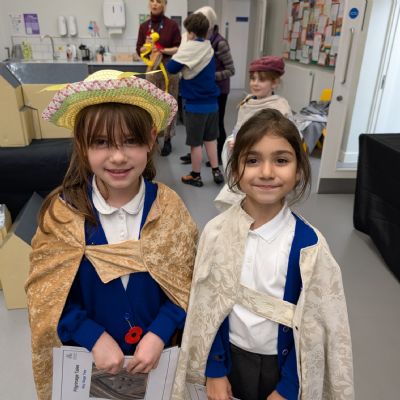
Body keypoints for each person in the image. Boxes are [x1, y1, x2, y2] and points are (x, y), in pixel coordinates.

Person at [25, 70, 198, 400]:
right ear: (82, 145)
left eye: (130, 141)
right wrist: (90, 335)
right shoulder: (63, 214)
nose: (118, 157)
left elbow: (187, 283)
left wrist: (160, 332)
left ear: (150, 139)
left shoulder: (168, 208)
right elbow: (46, 296)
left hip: (157, 363)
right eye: (101, 142)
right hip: (88, 366)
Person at [172, 109, 354, 400]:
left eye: (281, 160)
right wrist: (215, 369)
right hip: (229, 359)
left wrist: (288, 388)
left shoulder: (309, 246)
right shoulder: (217, 232)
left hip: (281, 370)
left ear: (299, 170)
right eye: (252, 160)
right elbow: (207, 305)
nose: (267, 172)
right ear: (235, 169)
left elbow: (314, 329)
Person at [215, 55, 293, 211]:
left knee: (263, 193)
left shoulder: (280, 106)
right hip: (245, 156)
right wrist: (235, 140)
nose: (255, 83)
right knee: (243, 191)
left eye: (261, 80)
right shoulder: (247, 102)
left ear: (274, 83)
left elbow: (285, 139)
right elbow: (239, 128)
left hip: (266, 160)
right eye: (252, 79)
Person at [167, 12, 224, 187]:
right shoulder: (209, 48)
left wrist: (181, 50)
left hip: (195, 106)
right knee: (211, 140)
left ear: (190, 33)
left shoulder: (189, 49)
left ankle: (196, 175)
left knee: (196, 144)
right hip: (212, 104)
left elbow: (171, 67)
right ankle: (216, 170)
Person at [179, 6, 235, 166]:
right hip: (201, 90)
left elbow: (231, 70)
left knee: (216, 125)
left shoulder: (220, 43)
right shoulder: (199, 41)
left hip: (218, 91)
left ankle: (220, 157)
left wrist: (208, 76)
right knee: (197, 124)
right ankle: (194, 153)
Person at [136, 0, 181, 156]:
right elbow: (139, 49)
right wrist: (147, 46)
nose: (155, 4)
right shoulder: (144, 26)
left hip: (170, 70)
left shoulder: (172, 25)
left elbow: (178, 48)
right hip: (152, 69)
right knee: (151, 105)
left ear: (164, 4)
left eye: (159, 1)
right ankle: (153, 137)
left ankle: (168, 139)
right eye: (152, 1)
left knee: (170, 104)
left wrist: (163, 50)